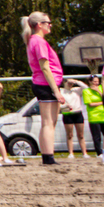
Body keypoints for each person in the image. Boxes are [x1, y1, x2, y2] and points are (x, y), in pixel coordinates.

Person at [22, 14, 63, 165]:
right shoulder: (38, 42)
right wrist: (56, 90)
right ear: (39, 24)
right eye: (48, 22)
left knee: (50, 122)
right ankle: (48, 156)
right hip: (45, 84)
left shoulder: (35, 41)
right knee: (48, 122)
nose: (50, 25)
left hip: (46, 84)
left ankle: (48, 155)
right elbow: (45, 67)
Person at [82, 65, 104, 160]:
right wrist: (102, 102)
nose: (96, 84)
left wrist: (98, 91)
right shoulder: (86, 91)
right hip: (94, 117)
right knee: (97, 136)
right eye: (94, 82)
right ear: (90, 82)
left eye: (97, 82)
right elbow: (90, 104)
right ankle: (99, 152)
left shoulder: (101, 88)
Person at [58, 72, 89, 157]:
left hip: (78, 113)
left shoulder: (76, 90)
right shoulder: (61, 91)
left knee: (81, 135)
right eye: (69, 83)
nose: (70, 85)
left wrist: (76, 81)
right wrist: (65, 106)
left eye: (71, 84)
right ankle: (71, 153)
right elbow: (58, 106)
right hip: (68, 114)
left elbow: (86, 87)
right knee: (69, 134)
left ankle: (84, 153)